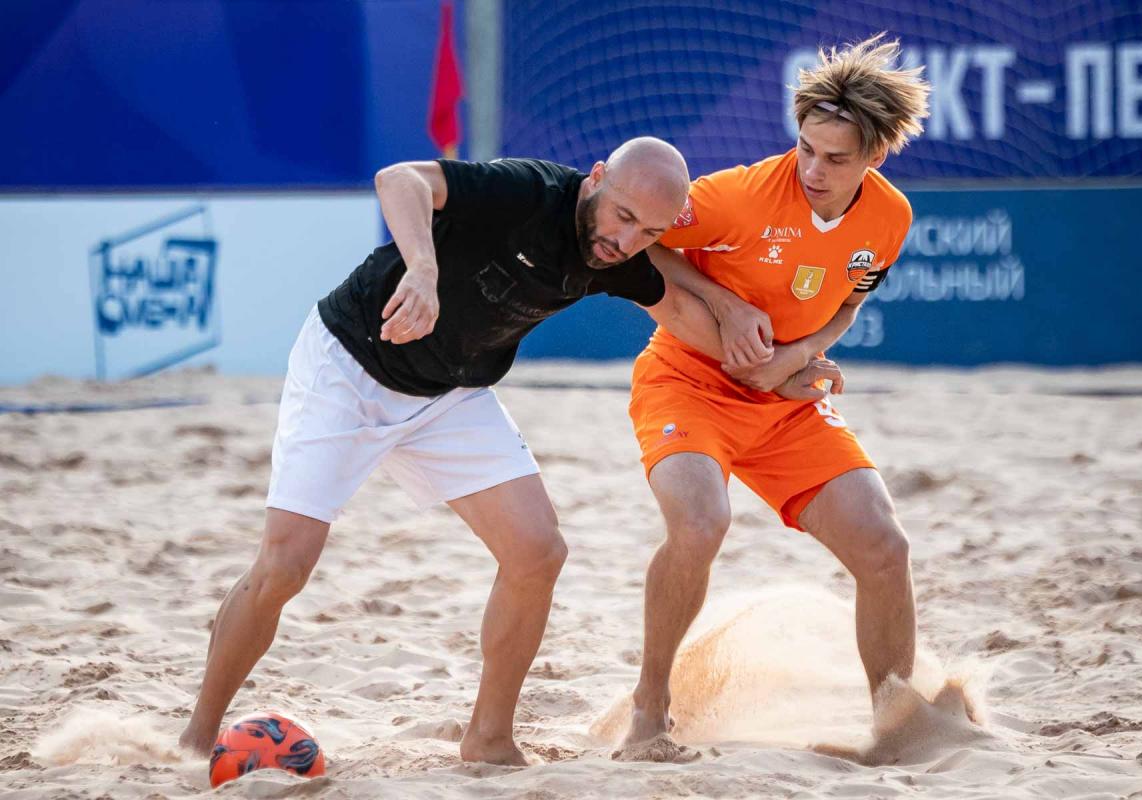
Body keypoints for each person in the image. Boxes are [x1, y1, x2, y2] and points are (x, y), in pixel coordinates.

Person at [176, 137, 808, 767]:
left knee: (538, 551)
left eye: (650, 232)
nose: (626, 240)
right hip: (347, 366)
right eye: (623, 217)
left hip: (449, 394)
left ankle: (489, 738)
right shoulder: (526, 191)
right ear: (595, 179)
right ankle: (196, 742)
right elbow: (399, 178)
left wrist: (780, 369)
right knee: (285, 567)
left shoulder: (614, 253)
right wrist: (422, 269)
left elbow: (681, 312)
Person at [617, 35, 933, 761]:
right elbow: (640, 238)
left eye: (836, 159)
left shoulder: (890, 217)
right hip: (688, 382)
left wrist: (797, 355)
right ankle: (650, 707)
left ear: (876, 156)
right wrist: (723, 303)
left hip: (784, 400)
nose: (813, 170)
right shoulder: (738, 195)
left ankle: (897, 725)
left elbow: (847, 305)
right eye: (806, 148)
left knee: (885, 548)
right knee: (701, 523)